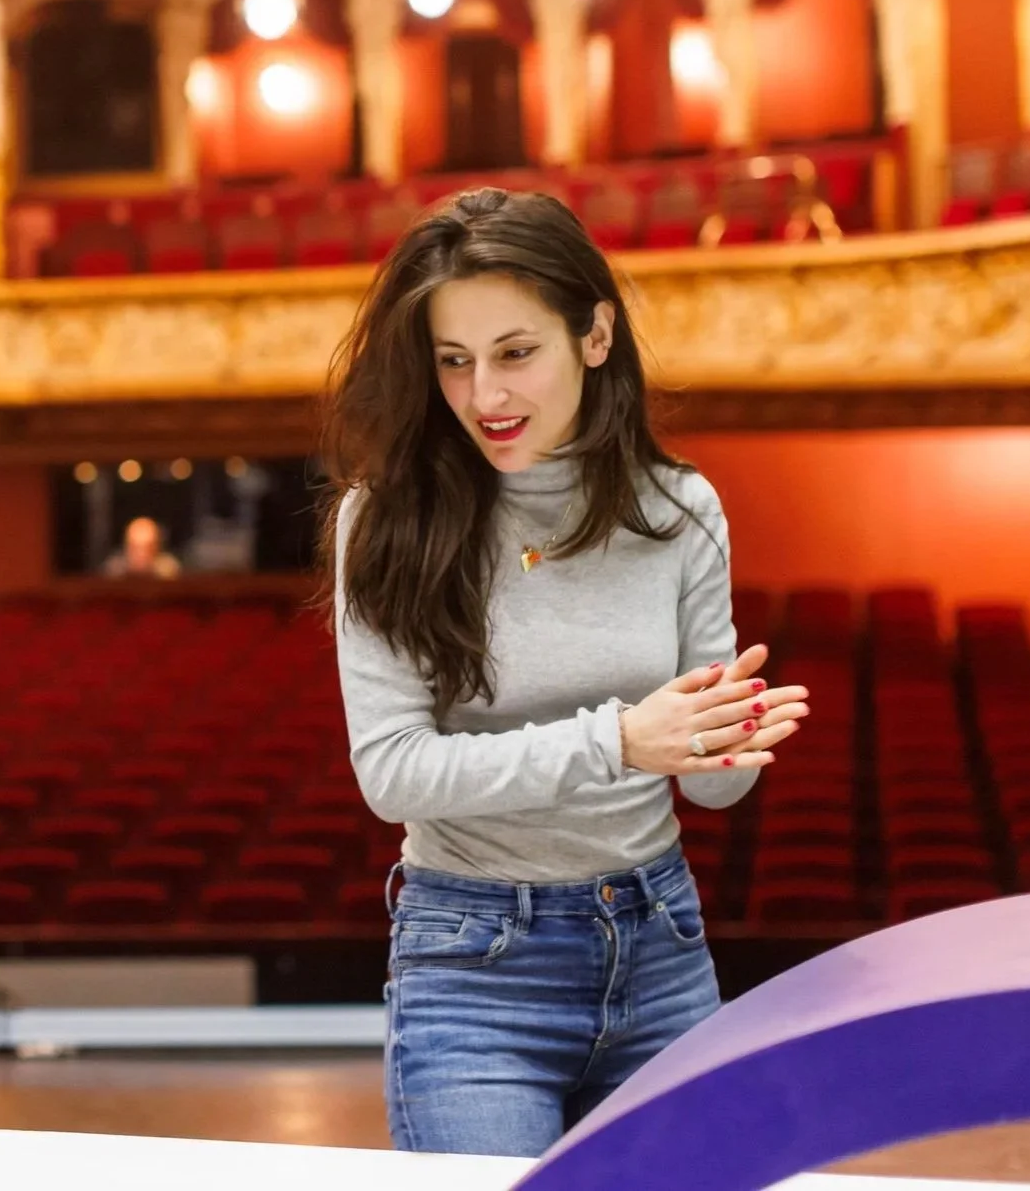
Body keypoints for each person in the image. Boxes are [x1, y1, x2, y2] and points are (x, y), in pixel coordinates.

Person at [321, 187, 809, 1158]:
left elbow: (712, 795)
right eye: (452, 362)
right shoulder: (380, 523)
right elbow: (394, 775)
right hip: (472, 965)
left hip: (658, 942)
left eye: (514, 353)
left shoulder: (679, 508)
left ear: (593, 337)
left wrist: (723, 744)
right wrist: (620, 741)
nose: (484, 398)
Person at [103, 516, 181, 580]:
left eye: (148, 548)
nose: (141, 554)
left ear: (157, 547)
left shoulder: (170, 574)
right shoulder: (113, 574)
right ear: (127, 547)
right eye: (135, 548)